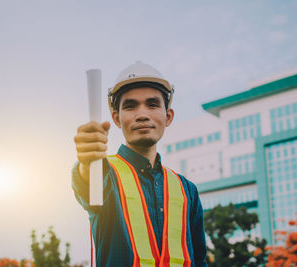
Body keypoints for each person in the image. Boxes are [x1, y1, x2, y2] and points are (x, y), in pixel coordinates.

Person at [72, 61, 207, 267]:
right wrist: (87, 161)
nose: (142, 114)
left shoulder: (187, 190)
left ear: (168, 116)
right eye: (130, 106)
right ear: (116, 118)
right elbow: (87, 182)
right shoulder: (104, 172)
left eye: (152, 104)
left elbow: (199, 261)